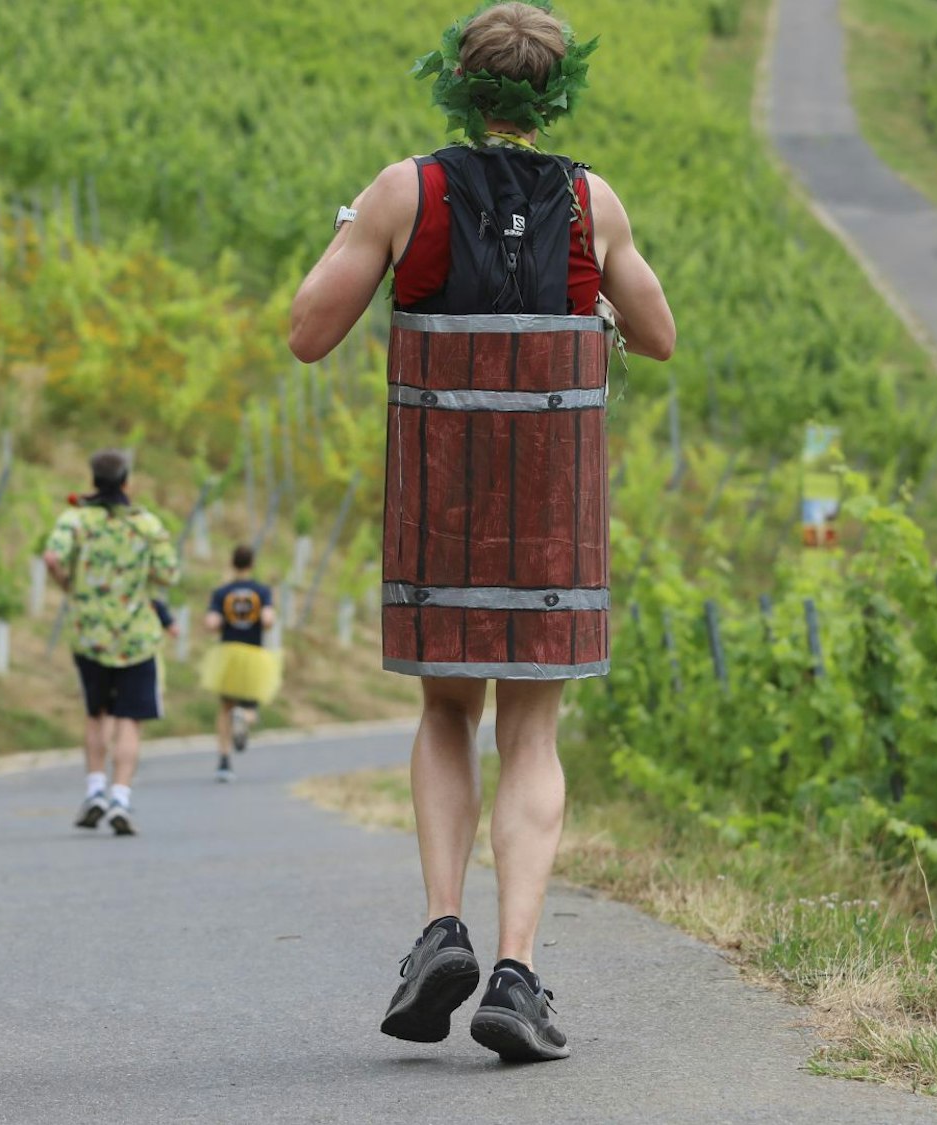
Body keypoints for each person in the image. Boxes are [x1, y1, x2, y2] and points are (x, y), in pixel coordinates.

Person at [288, 2, 674, 1063]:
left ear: (456, 81)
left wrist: (353, 235)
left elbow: (307, 334)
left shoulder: (405, 190)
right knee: (532, 734)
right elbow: (660, 336)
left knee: (446, 709)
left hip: (439, 498)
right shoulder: (591, 201)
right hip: (551, 509)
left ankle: (439, 928)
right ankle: (514, 968)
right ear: (556, 95)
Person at [43, 450, 180, 836]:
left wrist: (69, 586)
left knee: (96, 714)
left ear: (93, 480)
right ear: (126, 482)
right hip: (136, 635)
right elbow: (169, 573)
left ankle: (94, 791)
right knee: (129, 720)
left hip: (90, 633)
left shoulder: (75, 519)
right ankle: (121, 796)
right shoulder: (146, 523)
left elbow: (53, 557)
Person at [200, 545, 279, 782]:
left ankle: (224, 762)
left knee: (225, 707)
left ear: (232, 563)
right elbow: (267, 620)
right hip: (254, 655)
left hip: (228, 655)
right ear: (252, 564)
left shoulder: (222, 592)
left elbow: (211, 623)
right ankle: (243, 718)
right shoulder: (262, 591)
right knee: (251, 705)